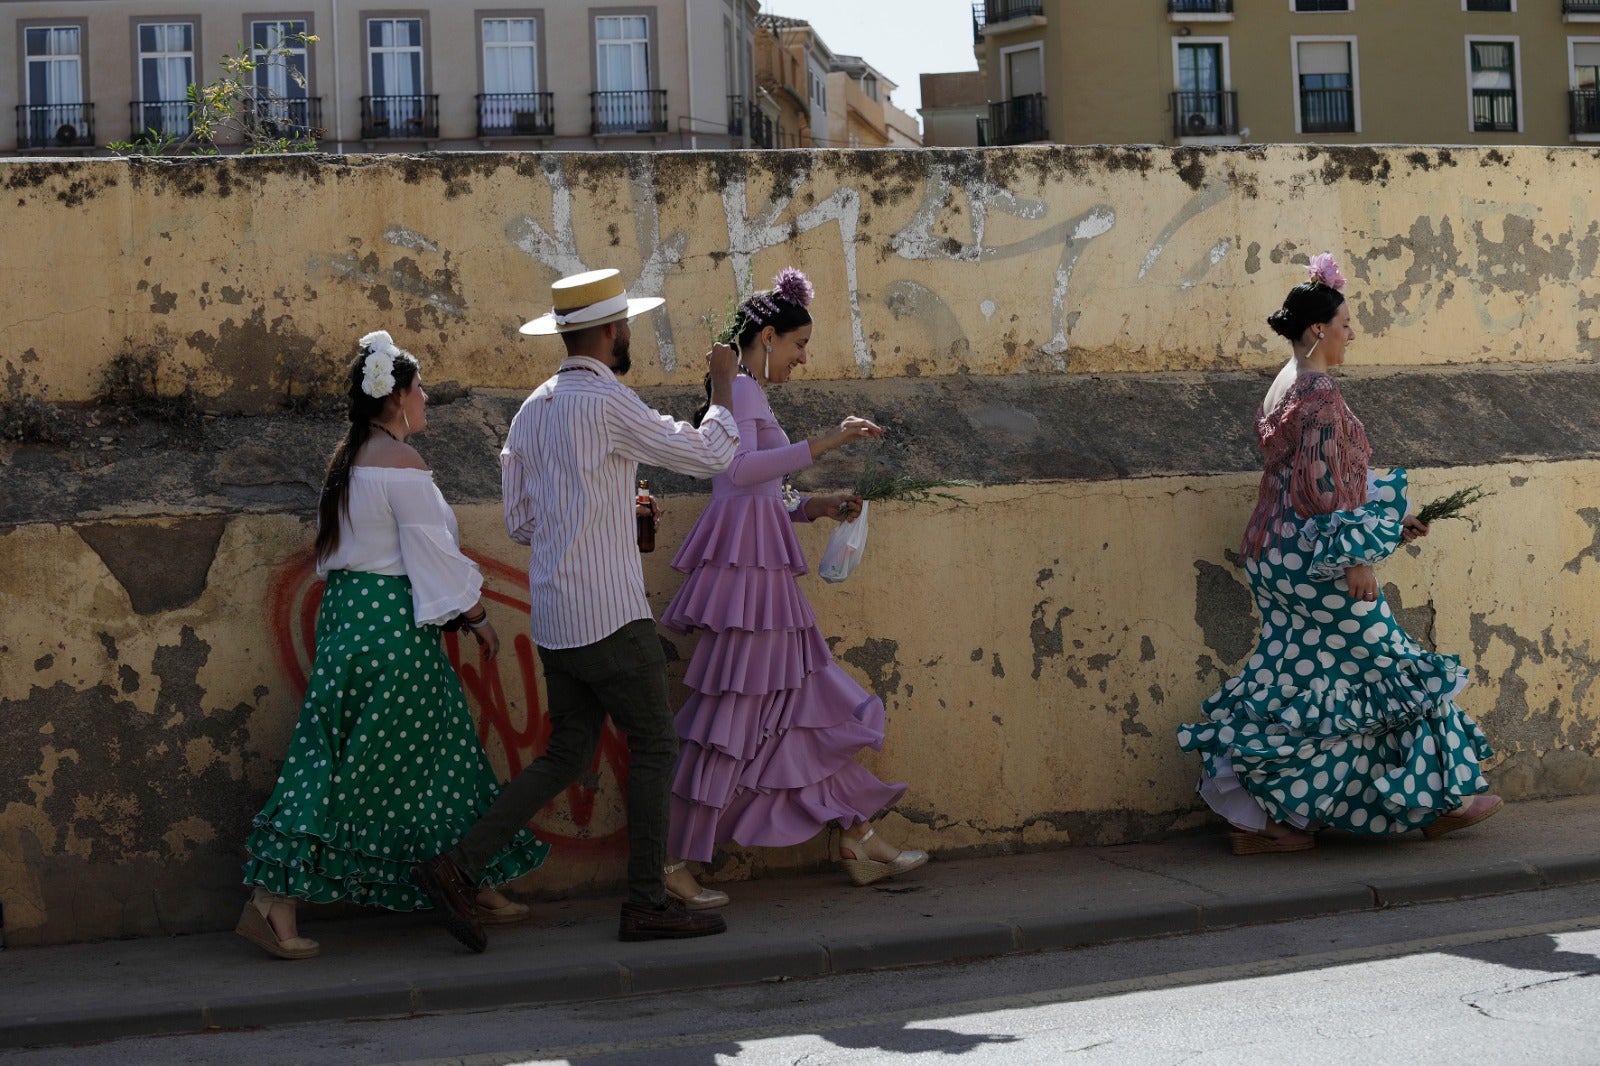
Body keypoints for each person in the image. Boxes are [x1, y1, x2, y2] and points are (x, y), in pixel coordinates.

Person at [414, 268, 741, 949]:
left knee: (566, 753)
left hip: (557, 618)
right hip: (611, 613)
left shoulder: (531, 410)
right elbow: (709, 454)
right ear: (611, 330)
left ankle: (458, 867)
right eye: (627, 326)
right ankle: (646, 901)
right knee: (656, 745)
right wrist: (722, 390)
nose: (628, 335)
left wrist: (602, 512)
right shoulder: (608, 401)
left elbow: (523, 522)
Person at [239, 330, 549, 960]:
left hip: (350, 620)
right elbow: (431, 550)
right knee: (382, 762)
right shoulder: (400, 462)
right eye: (420, 388)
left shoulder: (350, 460)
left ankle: (471, 875)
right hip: (391, 628)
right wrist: (477, 616)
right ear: (398, 398)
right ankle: (275, 899)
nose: (426, 398)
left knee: (402, 750)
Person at [1177, 253, 1501, 855]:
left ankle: (1274, 823)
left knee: (1296, 676)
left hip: (1273, 553)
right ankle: (1442, 801)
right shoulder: (1321, 392)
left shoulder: (1283, 383)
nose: (1352, 334)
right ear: (1317, 329)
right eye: (1346, 323)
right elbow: (1323, 487)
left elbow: (1317, 476)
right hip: (1316, 558)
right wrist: (1356, 556)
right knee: (1389, 662)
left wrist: (1389, 521)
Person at [659, 268, 928, 909]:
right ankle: (669, 862)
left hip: (763, 582)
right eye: (799, 344)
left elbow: (762, 493)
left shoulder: (749, 392)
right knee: (732, 721)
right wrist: (830, 440)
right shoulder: (740, 390)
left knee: (800, 709)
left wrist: (816, 507)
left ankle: (856, 832)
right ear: (768, 337)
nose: (803, 358)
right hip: (749, 586)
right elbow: (739, 470)